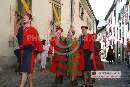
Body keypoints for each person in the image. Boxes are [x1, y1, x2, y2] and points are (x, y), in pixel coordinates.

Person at [19, 13, 43, 87]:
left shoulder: (33, 30)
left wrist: (39, 53)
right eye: (23, 17)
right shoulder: (21, 29)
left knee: (24, 71)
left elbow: (38, 42)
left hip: (29, 52)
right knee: (29, 72)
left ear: (30, 20)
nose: (24, 18)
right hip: (22, 53)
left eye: (26, 17)